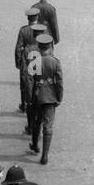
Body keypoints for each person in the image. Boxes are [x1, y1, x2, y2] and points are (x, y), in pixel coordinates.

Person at [28, 33, 63, 166]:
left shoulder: (35, 61)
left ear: (38, 46)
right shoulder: (55, 61)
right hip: (50, 96)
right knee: (48, 126)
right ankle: (45, 156)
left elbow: (29, 80)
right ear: (50, 46)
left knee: (37, 122)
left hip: (37, 96)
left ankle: (35, 146)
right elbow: (59, 81)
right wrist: (59, 97)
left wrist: (31, 97)